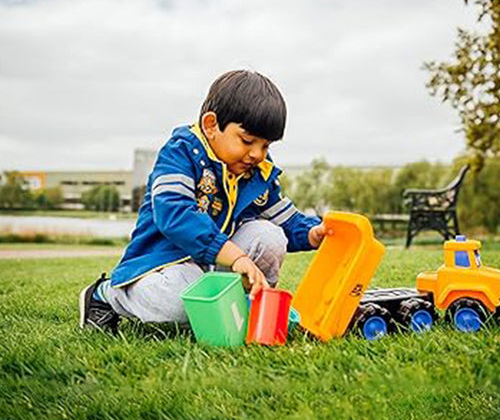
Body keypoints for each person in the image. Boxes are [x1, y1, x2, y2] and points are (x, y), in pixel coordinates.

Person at [79, 70, 327, 333]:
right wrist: (236, 257)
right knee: (180, 303)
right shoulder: (181, 152)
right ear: (211, 126)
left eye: (265, 145)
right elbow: (175, 215)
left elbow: (285, 219)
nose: (257, 154)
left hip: (210, 263)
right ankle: (107, 294)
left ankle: (249, 307)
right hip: (162, 263)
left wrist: (312, 232)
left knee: (270, 237)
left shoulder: (255, 171)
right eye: (247, 140)